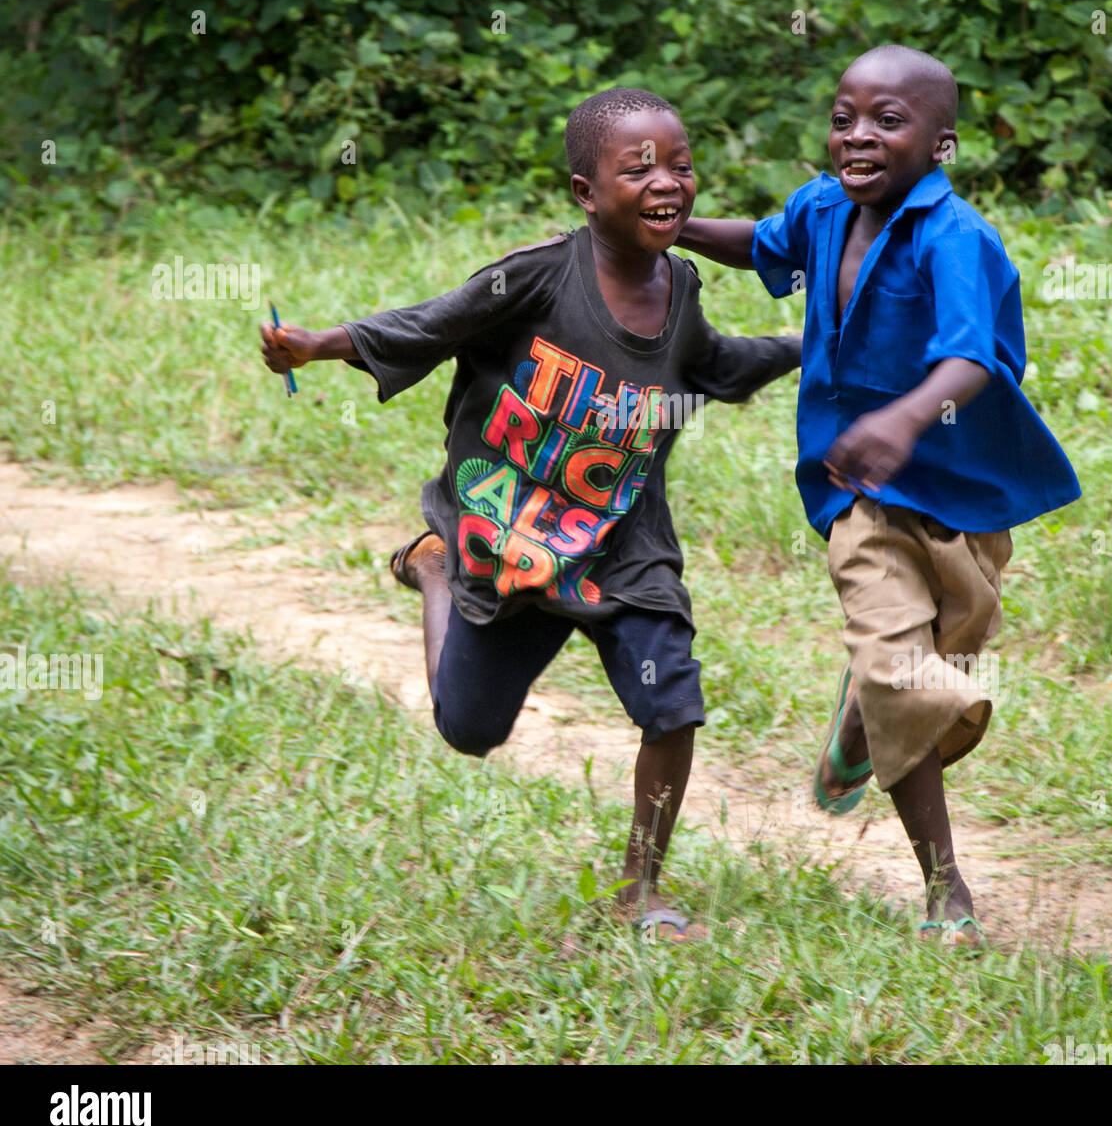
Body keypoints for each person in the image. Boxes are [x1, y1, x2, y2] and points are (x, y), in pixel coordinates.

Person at [261, 87, 801, 941]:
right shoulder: (538, 275)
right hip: (510, 534)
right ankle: (434, 565)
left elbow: (712, 364)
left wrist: (811, 347)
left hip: (623, 543)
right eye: (640, 170)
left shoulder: (682, 285)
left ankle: (642, 891)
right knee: (469, 729)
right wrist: (321, 343)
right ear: (587, 194)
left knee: (674, 707)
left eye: (682, 165)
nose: (668, 183)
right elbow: (430, 324)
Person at [676, 46, 1080, 945]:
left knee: (940, 655)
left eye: (887, 121)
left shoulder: (954, 238)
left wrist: (905, 419)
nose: (857, 135)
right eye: (843, 116)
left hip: (965, 498)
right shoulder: (824, 211)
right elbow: (763, 245)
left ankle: (865, 708)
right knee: (905, 677)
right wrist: (670, 225)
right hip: (856, 490)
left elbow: (973, 357)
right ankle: (946, 888)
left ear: (940, 145)